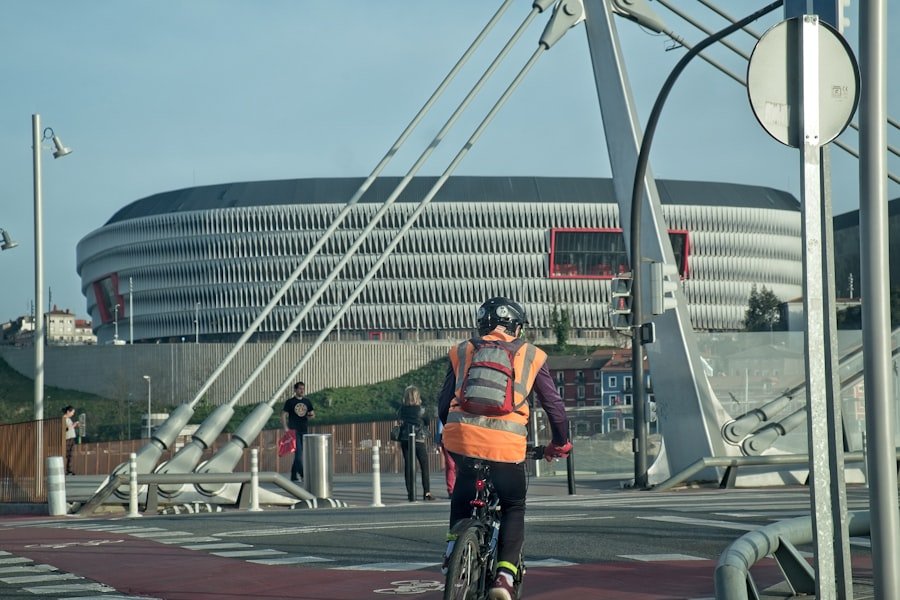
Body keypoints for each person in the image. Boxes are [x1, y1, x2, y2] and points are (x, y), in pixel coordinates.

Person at [438, 297, 572, 600]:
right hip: (507, 444)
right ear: (517, 327)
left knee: (464, 485)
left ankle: (451, 551)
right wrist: (560, 442)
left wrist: (449, 434)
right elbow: (554, 406)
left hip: (462, 438)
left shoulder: (462, 350)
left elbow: (443, 402)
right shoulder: (532, 354)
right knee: (513, 505)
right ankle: (505, 576)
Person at [397, 385, 434, 501]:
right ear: (417, 396)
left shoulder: (402, 409)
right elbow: (427, 421)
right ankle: (426, 492)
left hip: (405, 439)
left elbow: (399, 420)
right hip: (418, 439)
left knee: (408, 465)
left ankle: (411, 493)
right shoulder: (422, 409)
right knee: (424, 466)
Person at [281, 381, 315, 482]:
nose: (302, 390)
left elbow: (313, 414)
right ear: (295, 390)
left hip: (304, 431)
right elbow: (283, 415)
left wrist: (310, 416)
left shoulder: (307, 401)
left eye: (303, 388)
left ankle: (293, 476)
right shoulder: (290, 402)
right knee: (298, 455)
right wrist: (286, 428)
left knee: (299, 455)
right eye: (300, 388)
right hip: (293, 431)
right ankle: (303, 474)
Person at [434, 420, 456, 498]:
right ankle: (451, 489)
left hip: (455, 439)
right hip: (449, 440)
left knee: (451, 466)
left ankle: (452, 489)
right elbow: (440, 426)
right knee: (451, 465)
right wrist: (438, 442)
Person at [62, 405, 79, 475]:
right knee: (66, 454)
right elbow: (65, 429)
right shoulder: (63, 419)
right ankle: (66, 469)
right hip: (67, 438)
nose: (73, 414)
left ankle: (69, 469)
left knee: (70, 454)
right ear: (68, 411)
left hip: (71, 438)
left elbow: (70, 428)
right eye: (72, 412)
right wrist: (73, 425)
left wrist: (75, 426)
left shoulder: (68, 419)